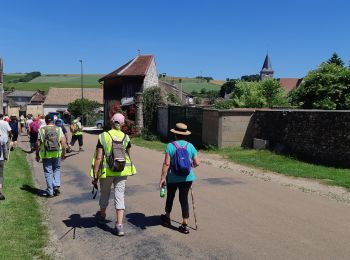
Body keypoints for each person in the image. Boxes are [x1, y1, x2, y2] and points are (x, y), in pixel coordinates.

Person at [90, 113, 136, 236]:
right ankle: (119, 225)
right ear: (122, 124)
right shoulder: (126, 137)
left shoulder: (103, 136)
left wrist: (95, 175)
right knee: (120, 196)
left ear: (111, 122)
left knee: (105, 193)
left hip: (107, 171)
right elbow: (128, 156)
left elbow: (99, 157)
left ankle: (102, 215)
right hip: (122, 171)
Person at [159, 123, 200, 234]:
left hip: (172, 177)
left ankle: (167, 217)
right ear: (186, 135)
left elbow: (167, 164)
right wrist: (189, 167)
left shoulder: (170, 146)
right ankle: (185, 224)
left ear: (175, 134)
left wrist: (163, 177)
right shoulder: (190, 146)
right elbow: (197, 162)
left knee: (170, 197)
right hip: (187, 177)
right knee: (184, 199)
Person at [36, 114, 66, 197]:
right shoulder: (59, 129)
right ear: (53, 120)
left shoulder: (41, 130)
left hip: (46, 154)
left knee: (48, 172)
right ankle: (56, 185)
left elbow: (38, 144)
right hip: (57, 153)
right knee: (57, 169)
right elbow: (63, 142)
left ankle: (50, 191)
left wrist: (37, 155)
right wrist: (64, 153)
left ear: (45, 121)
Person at [0, 135, 8, 200]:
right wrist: (5, 156)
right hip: (1, 159)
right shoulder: (2, 138)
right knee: (0, 176)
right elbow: (5, 149)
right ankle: (0, 193)